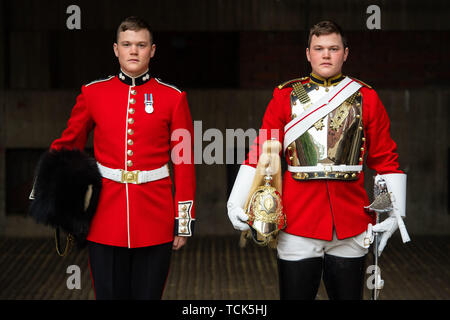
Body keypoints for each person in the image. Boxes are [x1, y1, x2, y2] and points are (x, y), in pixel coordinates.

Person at [227, 20, 408, 300]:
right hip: (297, 222)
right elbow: (263, 151)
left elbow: (385, 158)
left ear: (345, 53)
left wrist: (397, 212)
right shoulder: (285, 96)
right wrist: (236, 200)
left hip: (351, 223)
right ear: (308, 53)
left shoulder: (367, 97)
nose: (326, 55)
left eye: (333, 49)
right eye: (319, 48)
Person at [37, 16, 196, 299]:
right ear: (116, 49)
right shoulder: (93, 93)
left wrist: (183, 221)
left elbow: (183, 162)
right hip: (104, 219)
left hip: (155, 219)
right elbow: (68, 142)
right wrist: (46, 187)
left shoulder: (173, 98)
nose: (133, 51)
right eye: (127, 44)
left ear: (152, 50)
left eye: (140, 45)